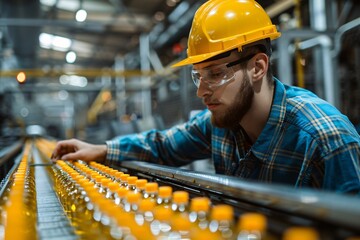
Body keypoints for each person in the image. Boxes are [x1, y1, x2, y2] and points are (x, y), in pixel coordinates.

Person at [51, 0, 360, 194]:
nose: (201, 91)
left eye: (215, 74)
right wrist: (101, 149)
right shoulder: (219, 124)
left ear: (257, 67)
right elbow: (163, 146)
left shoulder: (325, 140)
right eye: (198, 75)